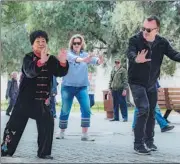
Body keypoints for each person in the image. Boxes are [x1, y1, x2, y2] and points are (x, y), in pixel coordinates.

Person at [126, 15, 180, 155]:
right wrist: (136, 59)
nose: (145, 31)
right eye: (143, 28)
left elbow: (173, 53)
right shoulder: (135, 39)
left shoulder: (162, 42)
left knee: (151, 111)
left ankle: (149, 141)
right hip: (136, 81)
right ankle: (138, 144)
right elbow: (130, 52)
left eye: (149, 30)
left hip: (151, 83)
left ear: (157, 30)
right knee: (143, 109)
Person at [1, 30, 69, 159]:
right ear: (33, 45)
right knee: (13, 127)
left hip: (42, 102)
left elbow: (60, 72)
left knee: (47, 125)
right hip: (25, 101)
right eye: (38, 41)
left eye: (43, 41)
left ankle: (44, 153)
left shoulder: (51, 59)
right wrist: (40, 62)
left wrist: (63, 62)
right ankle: (5, 150)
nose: (41, 43)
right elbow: (30, 72)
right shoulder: (28, 57)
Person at [56, 34, 104, 141]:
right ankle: (61, 131)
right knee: (65, 109)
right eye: (75, 43)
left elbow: (96, 61)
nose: (76, 45)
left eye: (78, 43)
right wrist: (84, 59)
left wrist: (100, 59)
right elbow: (76, 59)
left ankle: (85, 134)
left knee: (86, 109)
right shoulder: (68, 54)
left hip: (82, 87)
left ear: (81, 44)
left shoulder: (86, 54)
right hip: (68, 87)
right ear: (72, 44)